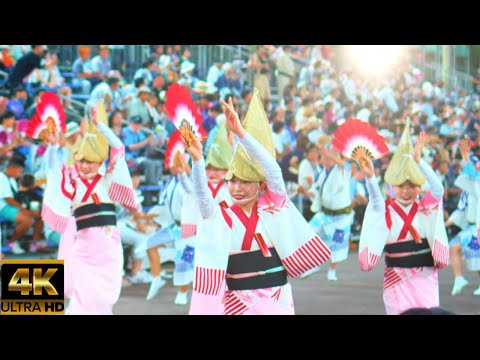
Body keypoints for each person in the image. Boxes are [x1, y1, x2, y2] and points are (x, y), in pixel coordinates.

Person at [186, 89, 331, 315]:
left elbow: (273, 170)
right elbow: (203, 199)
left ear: (261, 185)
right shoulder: (222, 215)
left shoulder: (272, 207)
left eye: (245, 182)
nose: (237, 188)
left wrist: (242, 134)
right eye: (232, 182)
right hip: (238, 301)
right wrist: (197, 161)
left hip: (276, 295)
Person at [41, 101, 139, 315]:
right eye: (82, 161)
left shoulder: (107, 180)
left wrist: (101, 126)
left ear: (99, 162)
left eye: (90, 162)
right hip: (84, 249)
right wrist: (53, 146)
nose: (85, 166)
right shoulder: (72, 180)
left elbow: (119, 148)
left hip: (109, 249)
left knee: (104, 300)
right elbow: (53, 170)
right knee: (83, 297)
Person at [357, 120, 449, 315]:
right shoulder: (386, 210)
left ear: (419, 188)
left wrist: (419, 161)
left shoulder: (425, 208)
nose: (406, 191)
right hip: (396, 279)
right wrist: (370, 177)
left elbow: (438, 189)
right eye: (401, 186)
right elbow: (375, 200)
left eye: (411, 186)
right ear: (393, 187)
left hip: (425, 277)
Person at [173, 120, 233, 306]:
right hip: (197, 233)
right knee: (186, 264)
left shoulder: (233, 189)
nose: (212, 173)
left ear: (227, 170)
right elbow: (189, 188)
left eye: (218, 169)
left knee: (222, 274)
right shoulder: (201, 185)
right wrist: (182, 173)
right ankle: (183, 292)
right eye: (209, 168)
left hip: (222, 237)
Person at [307, 143, 354, 281]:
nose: (324, 159)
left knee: (336, 244)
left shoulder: (342, 170)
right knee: (310, 233)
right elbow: (316, 189)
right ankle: (312, 264)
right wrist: (306, 192)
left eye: (327, 157)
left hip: (341, 217)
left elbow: (346, 165)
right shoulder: (323, 173)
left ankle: (332, 271)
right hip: (325, 213)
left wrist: (331, 155)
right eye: (324, 157)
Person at [446, 138, 480, 296]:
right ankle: (459, 278)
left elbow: (474, 179)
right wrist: (446, 223)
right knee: (454, 246)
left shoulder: (477, 183)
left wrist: (466, 157)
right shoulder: (467, 192)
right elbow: (460, 211)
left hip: (478, 227)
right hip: (471, 227)